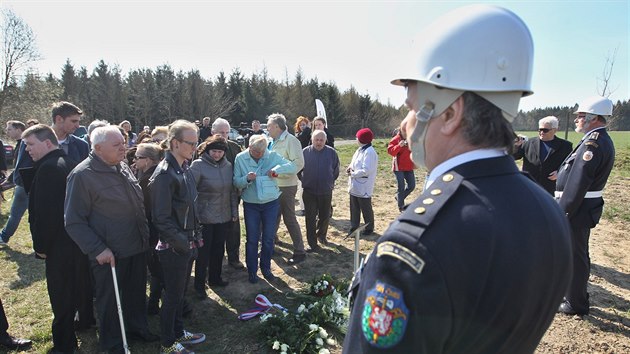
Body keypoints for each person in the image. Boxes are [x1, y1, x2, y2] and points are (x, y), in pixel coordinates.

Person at [343, 5, 572, 353]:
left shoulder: (413, 246)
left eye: (411, 107)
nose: (406, 125)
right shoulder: (546, 208)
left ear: (449, 114)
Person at [65, 126, 157, 354]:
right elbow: (73, 221)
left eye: (123, 142)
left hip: (136, 244)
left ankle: (137, 328)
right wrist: (98, 249)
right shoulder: (82, 176)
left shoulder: (122, 167)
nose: (123, 148)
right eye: (117, 145)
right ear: (97, 148)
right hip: (110, 252)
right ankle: (113, 342)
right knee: (109, 300)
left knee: (136, 293)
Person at [149, 120, 206, 354]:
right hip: (173, 247)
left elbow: (191, 208)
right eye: (191, 143)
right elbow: (161, 219)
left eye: (196, 142)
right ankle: (167, 343)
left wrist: (195, 238)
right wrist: (182, 243)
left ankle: (179, 331)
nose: (195, 147)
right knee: (172, 296)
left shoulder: (184, 168)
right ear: (174, 143)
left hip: (188, 242)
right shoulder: (164, 174)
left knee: (180, 293)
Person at [23, 124, 81, 353]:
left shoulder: (49, 168)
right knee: (72, 292)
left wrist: (41, 247)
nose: (27, 149)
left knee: (61, 297)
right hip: (74, 243)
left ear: (47, 143)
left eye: (30, 144)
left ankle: (64, 345)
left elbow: (47, 215)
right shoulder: (68, 163)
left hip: (59, 246)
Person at [556, 96, 616, 316]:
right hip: (580, 208)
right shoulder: (596, 139)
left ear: (593, 118)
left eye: (580, 116)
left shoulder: (594, 143)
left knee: (576, 256)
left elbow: (578, 182)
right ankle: (571, 296)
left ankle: (576, 303)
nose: (576, 120)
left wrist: (563, 212)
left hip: (577, 209)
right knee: (575, 254)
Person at [50, 101, 94, 331]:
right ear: (59, 119)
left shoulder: (80, 144)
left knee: (81, 266)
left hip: (80, 211)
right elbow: (20, 178)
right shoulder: (39, 141)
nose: (78, 126)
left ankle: (85, 313)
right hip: (53, 214)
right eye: (74, 122)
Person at [233, 135, 296, 283]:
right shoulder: (240, 158)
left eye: (262, 152)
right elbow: (236, 182)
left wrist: (276, 169)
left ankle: (266, 268)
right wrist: (247, 179)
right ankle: (252, 271)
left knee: (268, 238)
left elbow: (292, 166)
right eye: (256, 152)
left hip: (270, 202)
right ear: (249, 147)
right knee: (252, 239)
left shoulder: (272, 155)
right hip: (251, 204)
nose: (259, 155)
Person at [190, 135, 238, 296]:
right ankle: (199, 285)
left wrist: (234, 212)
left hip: (223, 215)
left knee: (218, 249)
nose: (217, 155)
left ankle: (215, 278)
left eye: (220, 152)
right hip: (205, 217)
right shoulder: (198, 166)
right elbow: (190, 192)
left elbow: (232, 192)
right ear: (207, 150)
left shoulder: (228, 166)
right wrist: (195, 215)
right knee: (203, 253)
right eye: (214, 151)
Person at [267, 113, 307, 265]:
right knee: (272, 217)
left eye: (269, 126)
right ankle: (270, 246)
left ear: (277, 126)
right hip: (273, 185)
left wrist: (277, 170)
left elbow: (298, 163)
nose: (267, 129)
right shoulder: (272, 141)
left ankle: (299, 251)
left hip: (286, 186)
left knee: (289, 218)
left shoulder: (291, 141)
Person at [210, 118, 245, 269]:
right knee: (212, 230)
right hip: (211, 196)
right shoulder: (205, 148)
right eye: (220, 132)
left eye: (226, 132)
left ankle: (233, 257)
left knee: (233, 227)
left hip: (231, 195)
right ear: (212, 132)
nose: (224, 135)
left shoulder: (235, 148)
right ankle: (212, 260)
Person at [134, 143, 164, 315]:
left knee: (157, 269)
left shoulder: (148, 179)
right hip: (154, 228)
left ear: (148, 160)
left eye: (138, 157)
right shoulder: (146, 174)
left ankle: (179, 305)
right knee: (157, 269)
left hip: (153, 229)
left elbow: (145, 207)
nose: (134, 160)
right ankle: (153, 303)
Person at [513, 116, 572, 195]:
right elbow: (513, 156)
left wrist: (560, 172)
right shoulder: (528, 143)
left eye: (545, 130)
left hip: (552, 189)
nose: (541, 132)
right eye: (539, 130)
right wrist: (515, 146)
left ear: (555, 130)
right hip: (530, 186)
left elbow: (571, 165)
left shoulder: (566, 146)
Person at [300, 130, 340, 250]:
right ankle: (312, 243)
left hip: (325, 190)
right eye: (316, 140)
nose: (319, 142)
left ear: (325, 140)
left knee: (325, 215)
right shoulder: (305, 152)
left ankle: (321, 235)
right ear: (312, 140)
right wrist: (305, 181)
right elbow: (298, 170)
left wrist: (329, 182)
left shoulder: (331, 152)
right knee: (310, 218)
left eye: (321, 140)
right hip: (309, 191)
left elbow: (336, 170)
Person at [0, 120, 32, 245]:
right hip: (24, 182)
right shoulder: (21, 143)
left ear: (19, 129)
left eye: (9, 129)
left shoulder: (25, 143)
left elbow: (21, 166)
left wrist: (10, 181)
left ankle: (4, 237)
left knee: (16, 212)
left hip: (24, 183)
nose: (7, 132)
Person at [347, 128, 378, 236]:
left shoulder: (370, 152)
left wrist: (354, 174)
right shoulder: (359, 150)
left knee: (365, 207)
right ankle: (354, 226)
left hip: (363, 185)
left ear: (363, 139)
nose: (356, 139)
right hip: (355, 185)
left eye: (357, 137)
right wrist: (350, 168)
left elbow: (366, 170)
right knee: (354, 207)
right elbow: (353, 162)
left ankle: (369, 227)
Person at [387, 120, 416, 211]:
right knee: (401, 186)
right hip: (398, 167)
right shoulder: (395, 139)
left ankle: (399, 197)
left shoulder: (411, 138)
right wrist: (399, 146)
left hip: (408, 166)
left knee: (411, 186)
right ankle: (401, 206)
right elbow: (391, 152)